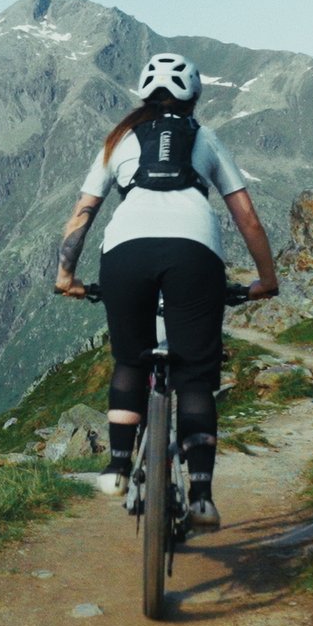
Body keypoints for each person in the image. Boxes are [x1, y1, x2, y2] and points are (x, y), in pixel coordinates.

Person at [53, 52, 278, 531]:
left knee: (131, 360)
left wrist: (66, 276)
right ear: (194, 96)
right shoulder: (206, 139)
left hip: (125, 252)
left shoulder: (118, 140)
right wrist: (266, 279)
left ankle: (115, 468)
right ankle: (200, 496)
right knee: (194, 377)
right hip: (195, 253)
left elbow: (82, 215)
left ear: (142, 95)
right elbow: (248, 218)